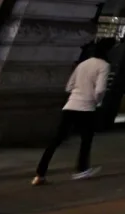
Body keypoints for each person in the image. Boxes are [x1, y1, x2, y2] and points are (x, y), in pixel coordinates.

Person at [34, 38, 114, 185]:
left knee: (56, 140)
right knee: (86, 139)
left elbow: (69, 87)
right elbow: (101, 88)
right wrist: (97, 101)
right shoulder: (104, 66)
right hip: (87, 107)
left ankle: (40, 173)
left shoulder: (82, 64)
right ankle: (81, 169)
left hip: (71, 105)